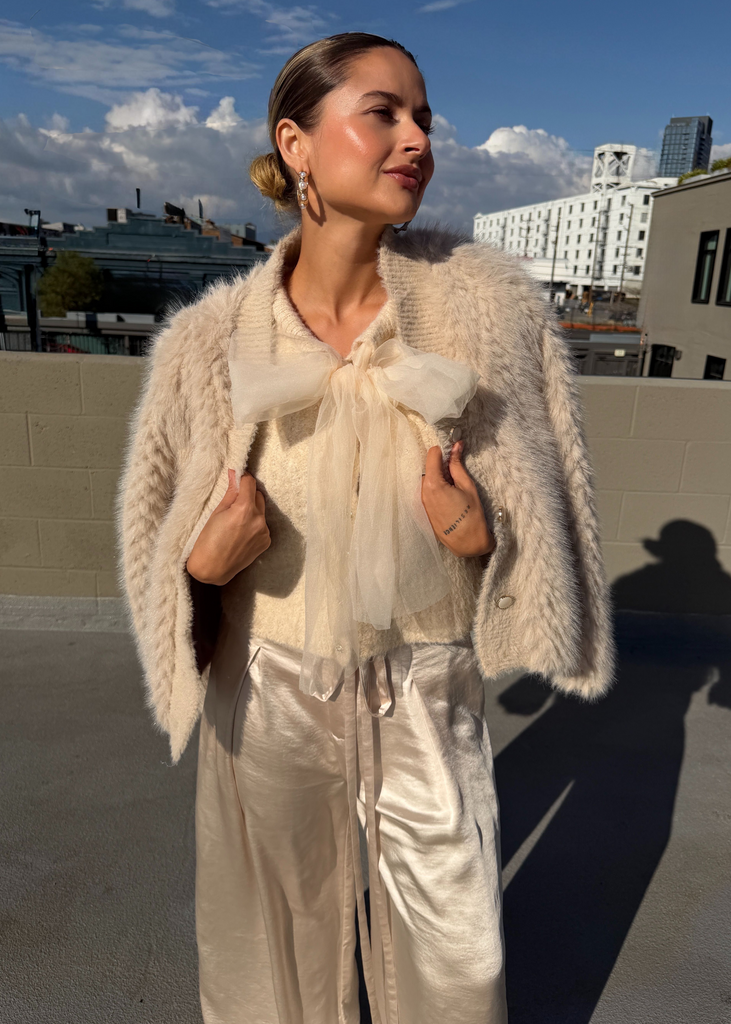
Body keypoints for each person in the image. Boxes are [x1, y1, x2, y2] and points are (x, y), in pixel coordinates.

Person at [116, 31, 617, 1024]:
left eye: (422, 116)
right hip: (262, 692)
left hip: (425, 691)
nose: (414, 138)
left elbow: (546, 504)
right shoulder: (209, 344)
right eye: (381, 111)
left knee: (453, 969)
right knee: (269, 967)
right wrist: (197, 574)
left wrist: (481, 539)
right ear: (295, 144)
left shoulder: (486, 315)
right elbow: (155, 538)